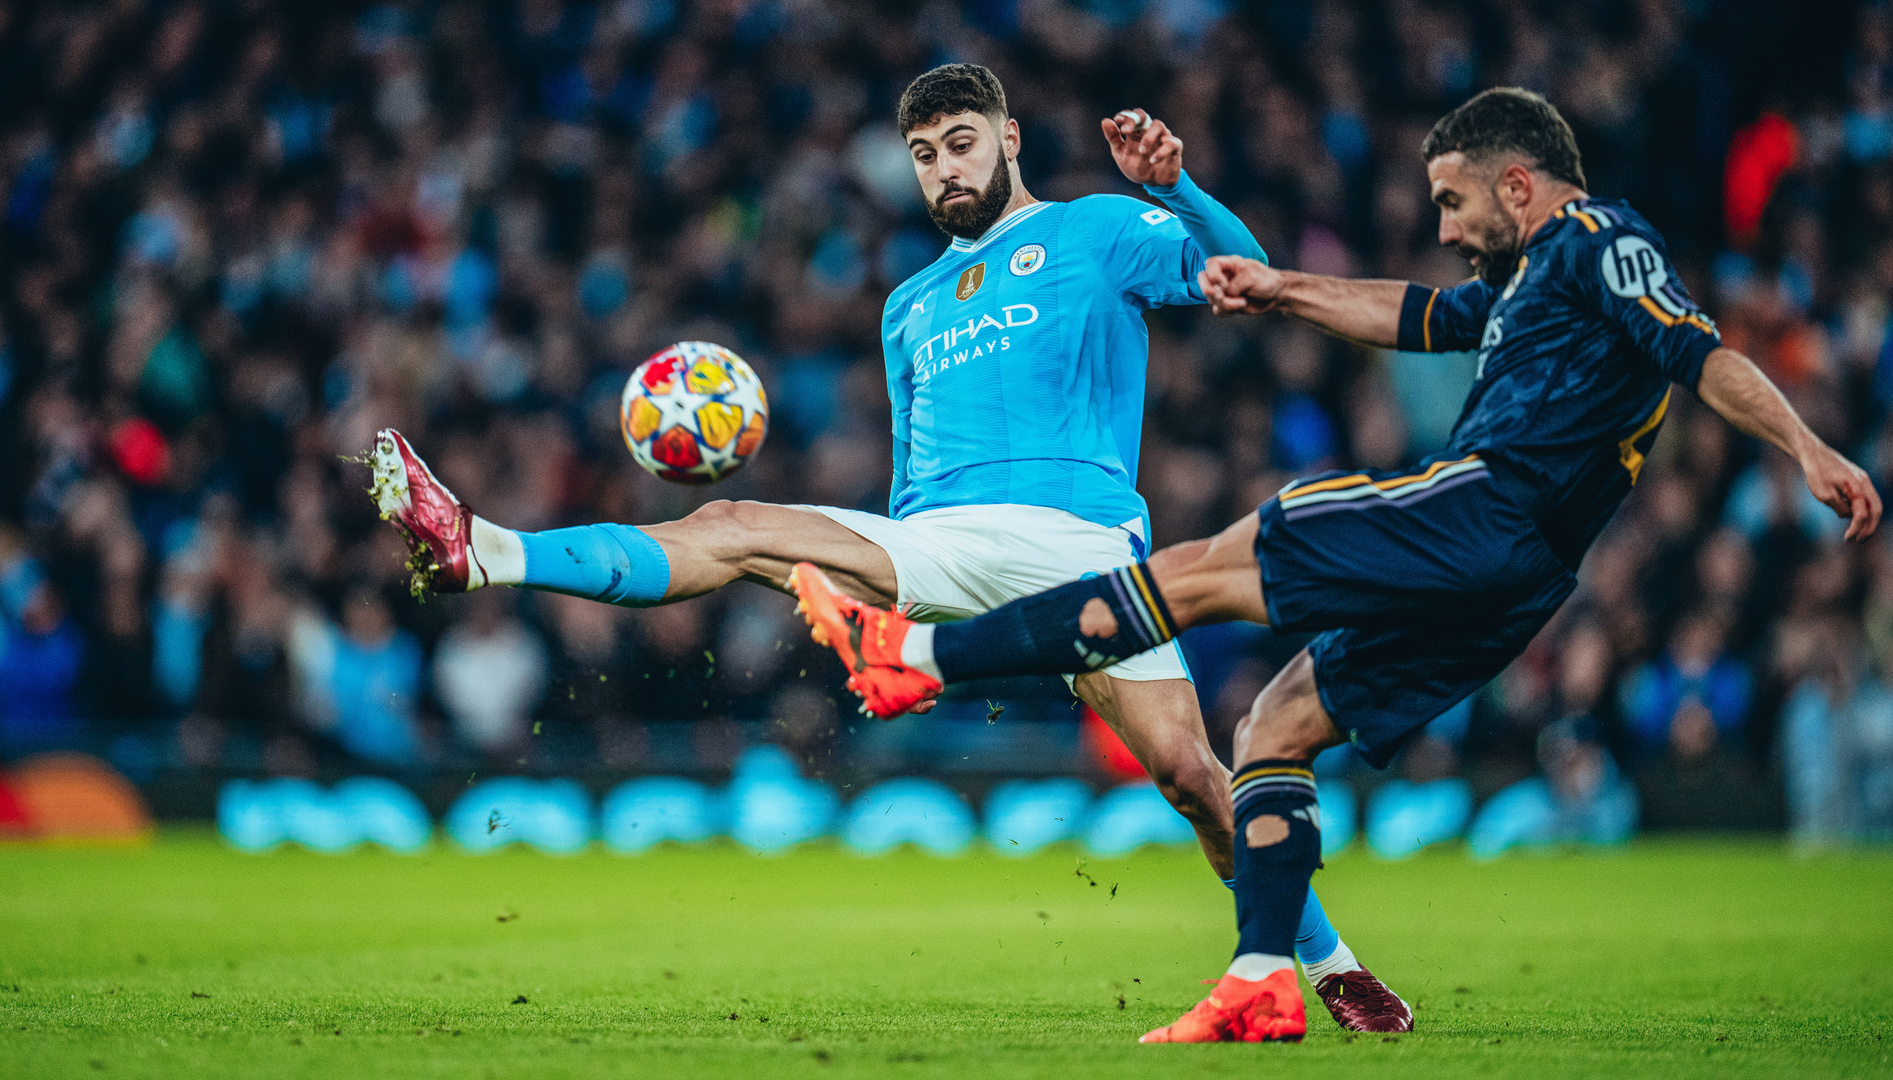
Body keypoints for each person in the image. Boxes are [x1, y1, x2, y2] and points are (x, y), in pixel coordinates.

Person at [788, 87, 1883, 1043]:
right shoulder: (1528, 281)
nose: (1447, 226)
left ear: (1517, 184)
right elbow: (1423, 317)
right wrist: (1282, 288)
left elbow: (1701, 353)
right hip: (1526, 572)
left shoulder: (1600, 238)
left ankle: (923, 652)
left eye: (1454, 202)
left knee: (1205, 566)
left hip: (1483, 505)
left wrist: (1808, 447)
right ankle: (1267, 975)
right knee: (1278, 726)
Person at [363, 63, 1409, 1030]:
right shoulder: (908, 307)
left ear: (1006, 138)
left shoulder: (1099, 230)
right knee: (731, 527)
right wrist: (899, 599)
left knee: (1190, 777)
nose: (944, 169)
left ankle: (1325, 964)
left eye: (960, 143)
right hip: (940, 544)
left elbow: (1250, 273)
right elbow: (911, 481)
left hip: (1085, 548)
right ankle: (487, 550)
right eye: (923, 155)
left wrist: (1175, 188)